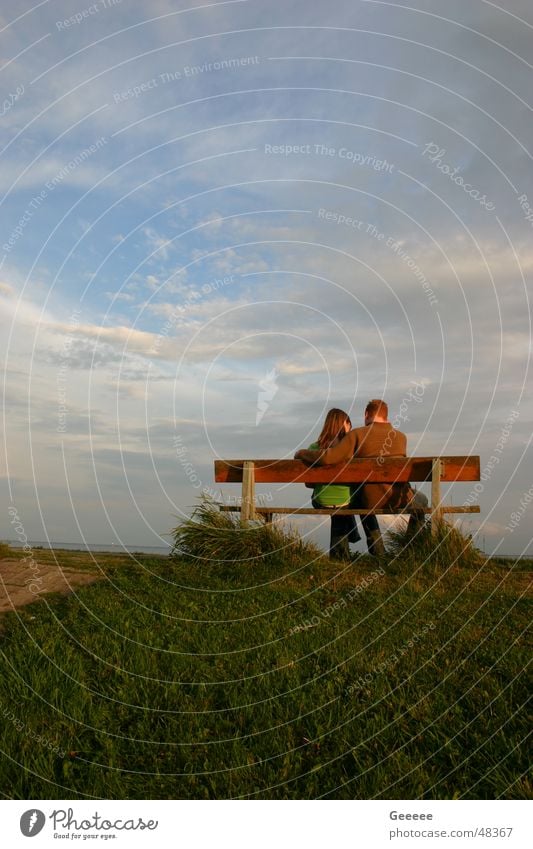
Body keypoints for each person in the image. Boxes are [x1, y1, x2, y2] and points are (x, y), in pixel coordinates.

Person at [295, 399, 428, 556]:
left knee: (361, 497)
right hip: (397, 499)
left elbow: (329, 458)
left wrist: (302, 453)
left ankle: (374, 548)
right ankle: (410, 548)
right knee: (423, 501)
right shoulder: (401, 437)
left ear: (366, 414)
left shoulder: (357, 434)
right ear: (386, 416)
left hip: (369, 499)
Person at [306, 408, 361, 561]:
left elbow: (308, 484)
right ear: (345, 425)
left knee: (338, 508)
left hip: (320, 500)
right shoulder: (351, 450)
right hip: (345, 502)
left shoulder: (313, 448)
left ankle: (342, 555)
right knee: (346, 502)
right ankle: (340, 557)